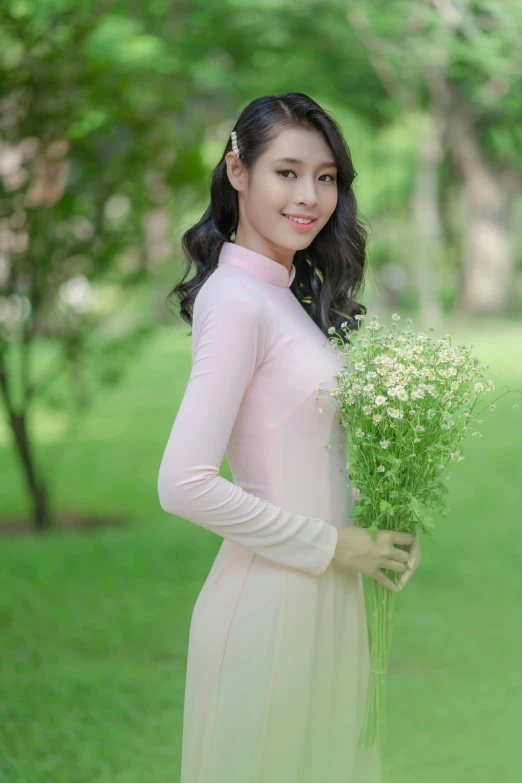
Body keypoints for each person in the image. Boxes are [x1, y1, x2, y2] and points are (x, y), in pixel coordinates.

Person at [157, 92, 418, 783]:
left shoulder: (287, 296)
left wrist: (380, 522)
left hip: (326, 598)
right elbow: (182, 482)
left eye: (326, 177)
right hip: (270, 610)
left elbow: (298, 447)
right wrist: (332, 544)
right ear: (237, 170)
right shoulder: (235, 300)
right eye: (288, 172)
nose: (310, 196)